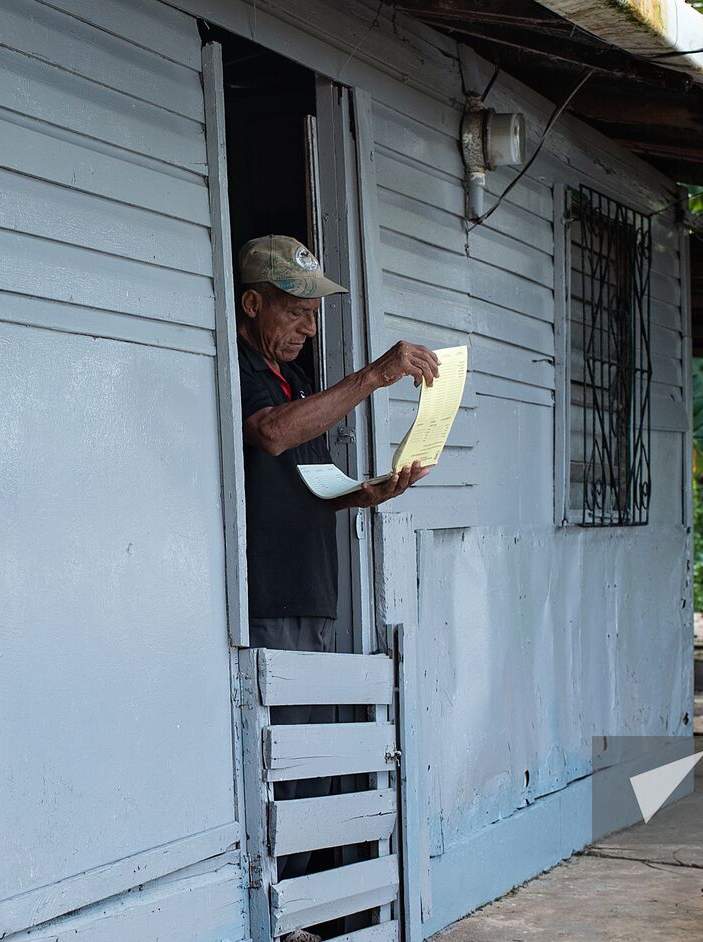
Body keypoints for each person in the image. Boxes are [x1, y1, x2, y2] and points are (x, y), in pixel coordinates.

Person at [235, 234, 437, 910]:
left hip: (313, 593)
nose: (308, 327)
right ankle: (282, 912)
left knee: (314, 765)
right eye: (295, 311)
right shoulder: (239, 366)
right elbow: (270, 434)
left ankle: (308, 908)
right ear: (252, 303)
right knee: (283, 766)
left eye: (313, 314)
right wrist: (373, 377)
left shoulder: (289, 379)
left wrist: (365, 492)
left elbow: (305, 473)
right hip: (272, 594)